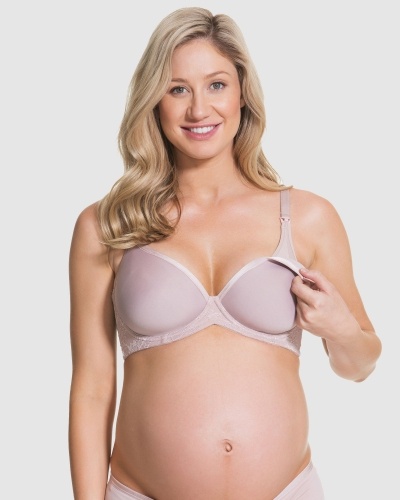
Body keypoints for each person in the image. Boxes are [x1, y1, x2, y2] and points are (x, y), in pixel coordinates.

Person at [68, 7, 382, 500]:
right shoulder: (108, 226)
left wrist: (340, 328)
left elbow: (360, 365)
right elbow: (91, 388)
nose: (199, 110)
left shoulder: (307, 218)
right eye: (177, 89)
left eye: (216, 85)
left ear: (242, 93)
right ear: (153, 101)